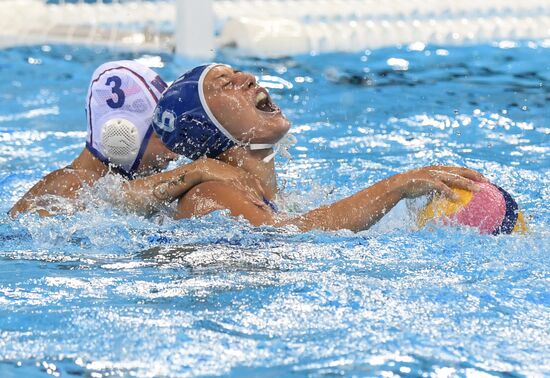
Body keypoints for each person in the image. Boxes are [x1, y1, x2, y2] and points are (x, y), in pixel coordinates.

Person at [151, 64, 488, 232]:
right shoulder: (210, 194)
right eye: (226, 84)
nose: (250, 79)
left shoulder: (266, 196)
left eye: (240, 73)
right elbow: (288, 235)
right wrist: (397, 186)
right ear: (205, 127)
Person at [9, 61, 261, 218]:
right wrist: (198, 170)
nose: (175, 152)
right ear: (121, 134)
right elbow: (115, 204)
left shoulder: (116, 179)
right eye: (162, 136)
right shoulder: (69, 184)